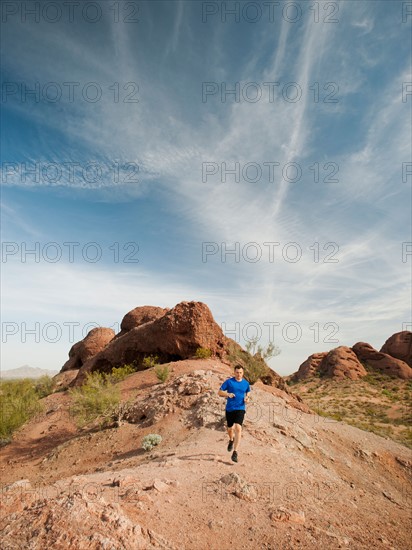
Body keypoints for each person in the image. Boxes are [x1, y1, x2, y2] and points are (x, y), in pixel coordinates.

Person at [218, 364, 251, 463]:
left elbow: (248, 391)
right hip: (230, 409)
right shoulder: (229, 382)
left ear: (243, 373)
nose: (239, 374)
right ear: (234, 372)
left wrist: (247, 398)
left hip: (240, 408)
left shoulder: (246, 383)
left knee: (238, 428)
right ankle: (231, 439)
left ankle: (235, 452)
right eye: (237, 372)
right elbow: (219, 392)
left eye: (240, 372)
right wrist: (228, 394)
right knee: (230, 429)